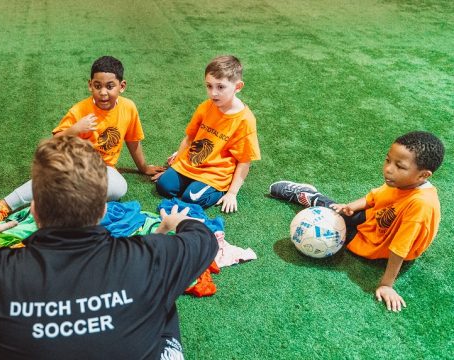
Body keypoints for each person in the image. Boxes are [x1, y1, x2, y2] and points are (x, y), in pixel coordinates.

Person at [0, 135, 218, 359]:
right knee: (164, 300)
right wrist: (175, 224)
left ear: (34, 210)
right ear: (104, 211)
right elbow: (203, 238)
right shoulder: (151, 257)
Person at [269, 131, 444, 312]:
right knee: (336, 210)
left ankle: (315, 198)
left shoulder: (421, 205)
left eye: (399, 166)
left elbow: (399, 249)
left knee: (332, 231)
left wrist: (386, 285)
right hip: (372, 220)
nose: (388, 169)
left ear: (423, 175)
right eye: (387, 160)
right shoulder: (401, 182)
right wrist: (351, 206)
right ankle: (308, 195)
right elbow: (374, 197)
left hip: (379, 244)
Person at [0, 56, 163, 220]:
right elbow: (52, 144)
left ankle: (64, 198)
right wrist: (76, 129)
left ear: (121, 86)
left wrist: (144, 167)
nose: (103, 92)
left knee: (119, 188)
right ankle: (3, 204)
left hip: (102, 167)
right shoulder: (79, 110)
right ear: (90, 85)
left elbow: (133, 141)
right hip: (73, 163)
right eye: (97, 85)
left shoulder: (129, 107)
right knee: (54, 177)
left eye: (110, 86)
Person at [153, 55, 260, 213]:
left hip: (216, 173)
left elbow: (244, 161)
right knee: (163, 186)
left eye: (220, 87)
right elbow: (189, 138)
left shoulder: (245, 120)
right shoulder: (205, 107)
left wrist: (232, 193)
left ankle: (216, 188)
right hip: (192, 162)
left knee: (191, 198)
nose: (213, 93)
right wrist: (176, 162)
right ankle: (191, 182)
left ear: (238, 87)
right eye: (209, 86)